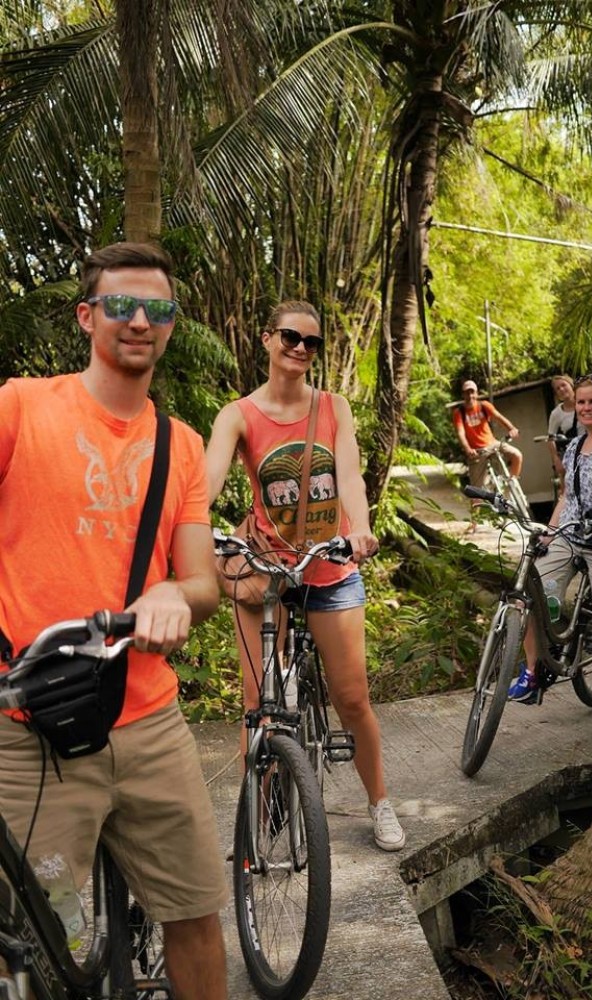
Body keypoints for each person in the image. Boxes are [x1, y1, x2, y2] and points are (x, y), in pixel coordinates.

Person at [0, 243, 228, 997]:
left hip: (148, 722)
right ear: (85, 316)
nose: (139, 320)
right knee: (39, 937)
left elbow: (201, 581)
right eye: (121, 305)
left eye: (157, 309)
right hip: (32, 727)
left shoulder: (183, 445)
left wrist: (173, 595)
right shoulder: (20, 408)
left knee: (196, 912)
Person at [205, 299, 405, 852]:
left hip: (330, 565)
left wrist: (360, 527)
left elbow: (350, 476)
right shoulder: (238, 415)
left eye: (310, 342)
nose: (298, 348)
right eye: (289, 337)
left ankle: (379, 801)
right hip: (267, 570)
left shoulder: (333, 406)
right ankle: (255, 811)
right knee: (256, 702)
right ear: (267, 339)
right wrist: (191, 525)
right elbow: (208, 480)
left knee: (352, 697)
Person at [507, 373, 592, 741]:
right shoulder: (574, 447)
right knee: (531, 594)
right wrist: (549, 531)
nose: (586, 408)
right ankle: (533, 672)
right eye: (581, 403)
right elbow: (567, 497)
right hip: (571, 536)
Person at [452, 379, 523, 522]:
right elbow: (460, 433)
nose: (470, 396)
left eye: (472, 392)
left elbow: (499, 418)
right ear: (463, 395)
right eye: (467, 393)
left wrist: (512, 429)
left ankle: (511, 485)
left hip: (493, 444)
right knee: (475, 489)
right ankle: (474, 521)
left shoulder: (484, 406)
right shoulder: (459, 412)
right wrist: (468, 449)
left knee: (517, 455)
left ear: (477, 393)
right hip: (477, 451)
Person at [546, 374, 577, 487]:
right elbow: (551, 438)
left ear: (571, 385)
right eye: (557, 388)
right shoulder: (556, 414)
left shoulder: (584, 403)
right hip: (570, 453)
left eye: (563, 385)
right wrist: (556, 459)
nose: (562, 389)